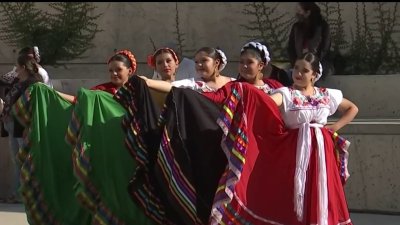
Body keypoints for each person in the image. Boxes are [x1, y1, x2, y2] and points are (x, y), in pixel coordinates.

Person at [207, 52, 357, 225]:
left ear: (315, 75)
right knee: (296, 192)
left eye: (305, 71)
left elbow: (352, 108)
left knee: (322, 189)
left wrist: (335, 127)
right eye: (296, 69)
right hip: (295, 151)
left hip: (322, 153)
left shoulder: (327, 95)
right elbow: (264, 103)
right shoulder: (286, 94)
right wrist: (245, 90)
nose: (298, 73)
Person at [0, 54, 44, 204]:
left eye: (17, 67)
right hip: (12, 125)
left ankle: (24, 193)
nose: (16, 70)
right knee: (17, 161)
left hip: (22, 126)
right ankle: (18, 192)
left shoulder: (33, 83)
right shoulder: (20, 81)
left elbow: (33, 105)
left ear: (24, 67)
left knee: (24, 160)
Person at [141, 47, 234, 93]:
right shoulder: (195, 84)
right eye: (196, 62)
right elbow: (172, 86)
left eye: (204, 60)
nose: (199, 65)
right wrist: (146, 81)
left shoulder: (234, 83)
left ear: (216, 62)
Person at [57, 49, 136, 102]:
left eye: (119, 70)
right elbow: (80, 101)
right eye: (111, 71)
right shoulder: (102, 90)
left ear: (130, 71)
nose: (114, 74)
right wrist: (55, 94)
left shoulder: (138, 91)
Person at [288, 2, 333, 80]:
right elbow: (291, 47)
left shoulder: (322, 26)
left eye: (300, 11)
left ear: (308, 12)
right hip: (299, 63)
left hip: (318, 63)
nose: (297, 13)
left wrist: (314, 63)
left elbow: (325, 48)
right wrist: (295, 63)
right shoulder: (296, 27)